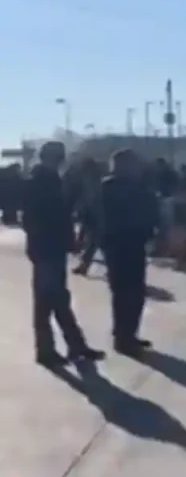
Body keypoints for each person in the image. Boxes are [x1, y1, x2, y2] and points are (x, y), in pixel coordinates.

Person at [22, 141, 104, 366]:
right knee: (49, 301)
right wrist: (61, 239)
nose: (60, 161)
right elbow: (39, 219)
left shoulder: (50, 181)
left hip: (49, 248)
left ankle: (70, 346)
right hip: (47, 249)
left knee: (55, 299)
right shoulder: (40, 183)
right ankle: (52, 349)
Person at [99, 150, 159, 356]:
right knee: (129, 292)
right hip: (124, 243)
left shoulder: (109, 187)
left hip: (123, 243)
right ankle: (124, 337)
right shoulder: (119, 188)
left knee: (128, 293)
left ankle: (126, 335)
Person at [71, 158, 102, 276]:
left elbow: (90, 197)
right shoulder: (93, 179)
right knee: (91, 240)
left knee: (92, 241)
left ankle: (84, 264)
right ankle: (84, 263)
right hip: (91, 212)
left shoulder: (91, 180)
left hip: (93, 213)